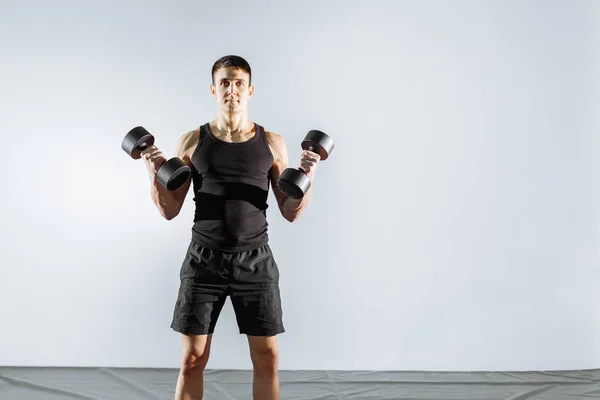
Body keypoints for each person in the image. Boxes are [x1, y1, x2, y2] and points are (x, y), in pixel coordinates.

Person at [140, 55, 321, 400]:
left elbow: (290, 211)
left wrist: (309, 176)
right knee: (193, 359)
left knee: (267, 358)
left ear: (250, 90)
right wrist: (152, 173)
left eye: (239, 83)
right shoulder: (192, 141)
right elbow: (169, 209)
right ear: (213, 89)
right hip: (203, 260)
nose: (232, 90)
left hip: (256, 260)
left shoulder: (272, 142)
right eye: (224, 82)